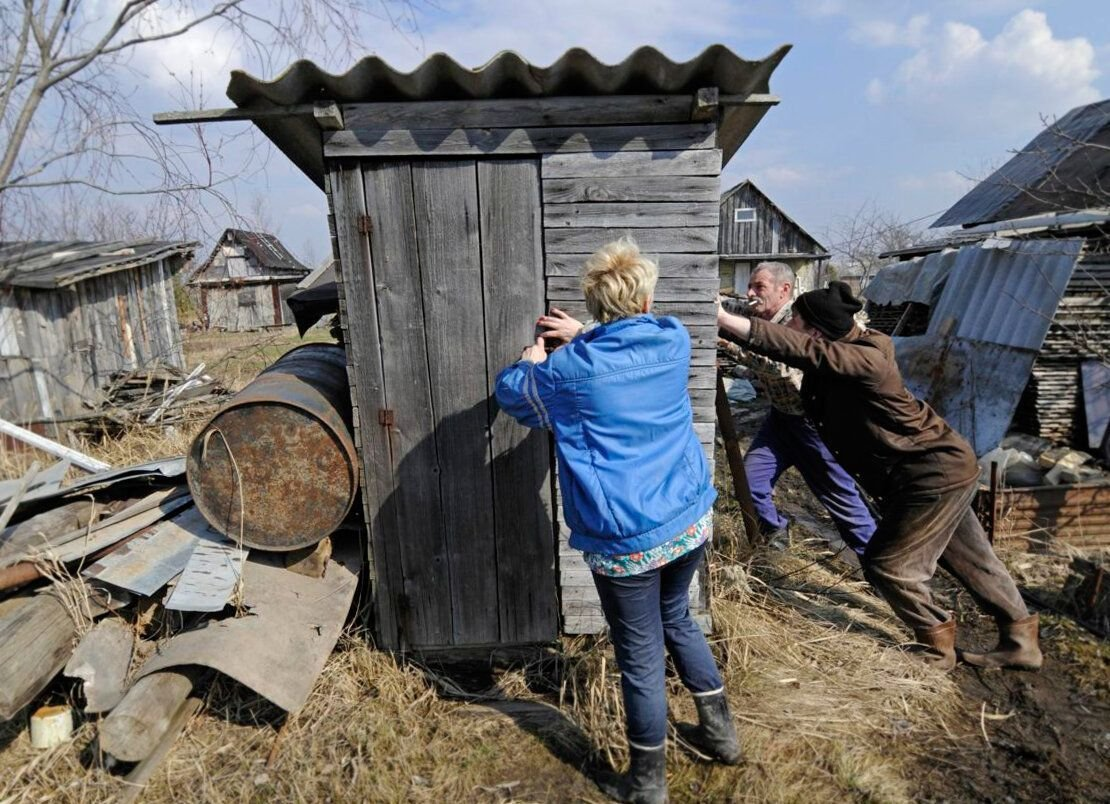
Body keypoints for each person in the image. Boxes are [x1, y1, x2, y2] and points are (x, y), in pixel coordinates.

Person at [496, 238, 739, 804]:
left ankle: (649, 785)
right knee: (678, 618)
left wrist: (533, 360)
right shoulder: (672, 339)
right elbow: (630, 345)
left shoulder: (567, 372)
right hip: (685, 516)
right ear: (648, 297)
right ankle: (722, 736)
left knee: (640, 652)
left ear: (595, 302)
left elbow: (513, 396)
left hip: (626, 537)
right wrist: (586, 334)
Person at [716, 281, 1042, 672]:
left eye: (796, 322)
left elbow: (799, 349)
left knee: (888, 565)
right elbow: (800, 351)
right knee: (974, 560)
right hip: (937, 470)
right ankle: (1022, 643)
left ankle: (938, 648)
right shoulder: (842, 350)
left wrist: (723, 320)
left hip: (931, 476)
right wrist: (725, 316)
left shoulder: (867, 358)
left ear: (817, 332)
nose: (789, 327)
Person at [723, 262, 876, 553]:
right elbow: (731, 308)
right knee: (750, 483)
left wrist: (729, 346)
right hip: (780, 421)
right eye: (750, 285)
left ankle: (880, 565)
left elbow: (781, 366)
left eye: (759, 287)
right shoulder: (758, 313)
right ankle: (775, 532)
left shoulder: (802, 321)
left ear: (784, 290)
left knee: (841, 501)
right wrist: (714, 304)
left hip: (814, 426)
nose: (750, 293)